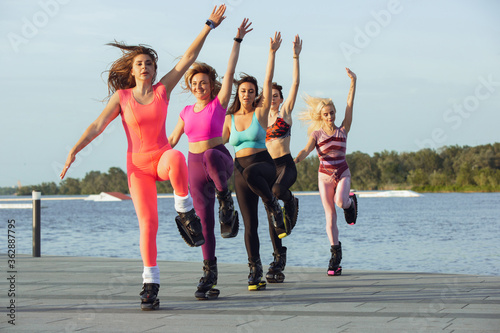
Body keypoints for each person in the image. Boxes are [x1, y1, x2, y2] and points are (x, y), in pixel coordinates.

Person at [59, 5, 227, 310]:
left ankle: (185, 212)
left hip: (161, 157)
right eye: (140, 63)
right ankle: (150, 284)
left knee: (176, 157)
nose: (145, 67)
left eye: (149, 63)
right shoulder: (122, 98)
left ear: (153, 68)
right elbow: (98, 125)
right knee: (148, 225)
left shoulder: (163, 90)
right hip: (137, 167)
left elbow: (187, 58)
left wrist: (208, 25)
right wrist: (74, 150)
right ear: (132, 69)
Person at [168, 19, 253, 300]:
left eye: (204, 83)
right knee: (204, 225)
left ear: (211, 85)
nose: (199, 86)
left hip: (219, 160)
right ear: (190, 87)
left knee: (209, 155)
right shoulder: (185, 112)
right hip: (194, 169)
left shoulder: (219, 103)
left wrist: (237, 41)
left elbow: (230, 70)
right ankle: (210, 276)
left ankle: (225, 200)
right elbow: (170, 142)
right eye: (195, 83)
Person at [222, 32, 282, 291]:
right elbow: (218, 143)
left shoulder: (260, 111)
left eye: (251, 91)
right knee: (250, 225)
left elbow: (268, 81)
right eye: (243, 90)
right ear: (238, 93)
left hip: (263, 165)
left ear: (256, 94)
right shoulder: (229, 118)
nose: (247, 94)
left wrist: (272, 53)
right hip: (240, 170)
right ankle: (254, 269)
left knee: (250, 175)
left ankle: (273, 205)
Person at [294, 68, 358, 276]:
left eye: (332, 113)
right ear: (321, 116)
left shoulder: (343, 129)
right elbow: (306, 149)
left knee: (341, 202)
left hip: (342, 173)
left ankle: (351, 203)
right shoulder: (317, 134)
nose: (330, 116)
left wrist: (353, 83)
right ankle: (335, 256)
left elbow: (349, 105)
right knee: (330, 216)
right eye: (326, 114)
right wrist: (297, 159)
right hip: (324, 177)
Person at [264, 34, 302, 284]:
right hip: (268, 167)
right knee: (270, 211)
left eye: (277, 95)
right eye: (272, 95)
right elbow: (265, 83)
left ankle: (292, 202)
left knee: (278, 191)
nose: (274, 98)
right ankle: (278, 257)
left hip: (286, 165)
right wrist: (271, 53)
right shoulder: (260, 116)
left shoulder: (284, 113)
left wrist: (295, 56)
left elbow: (295, 84)